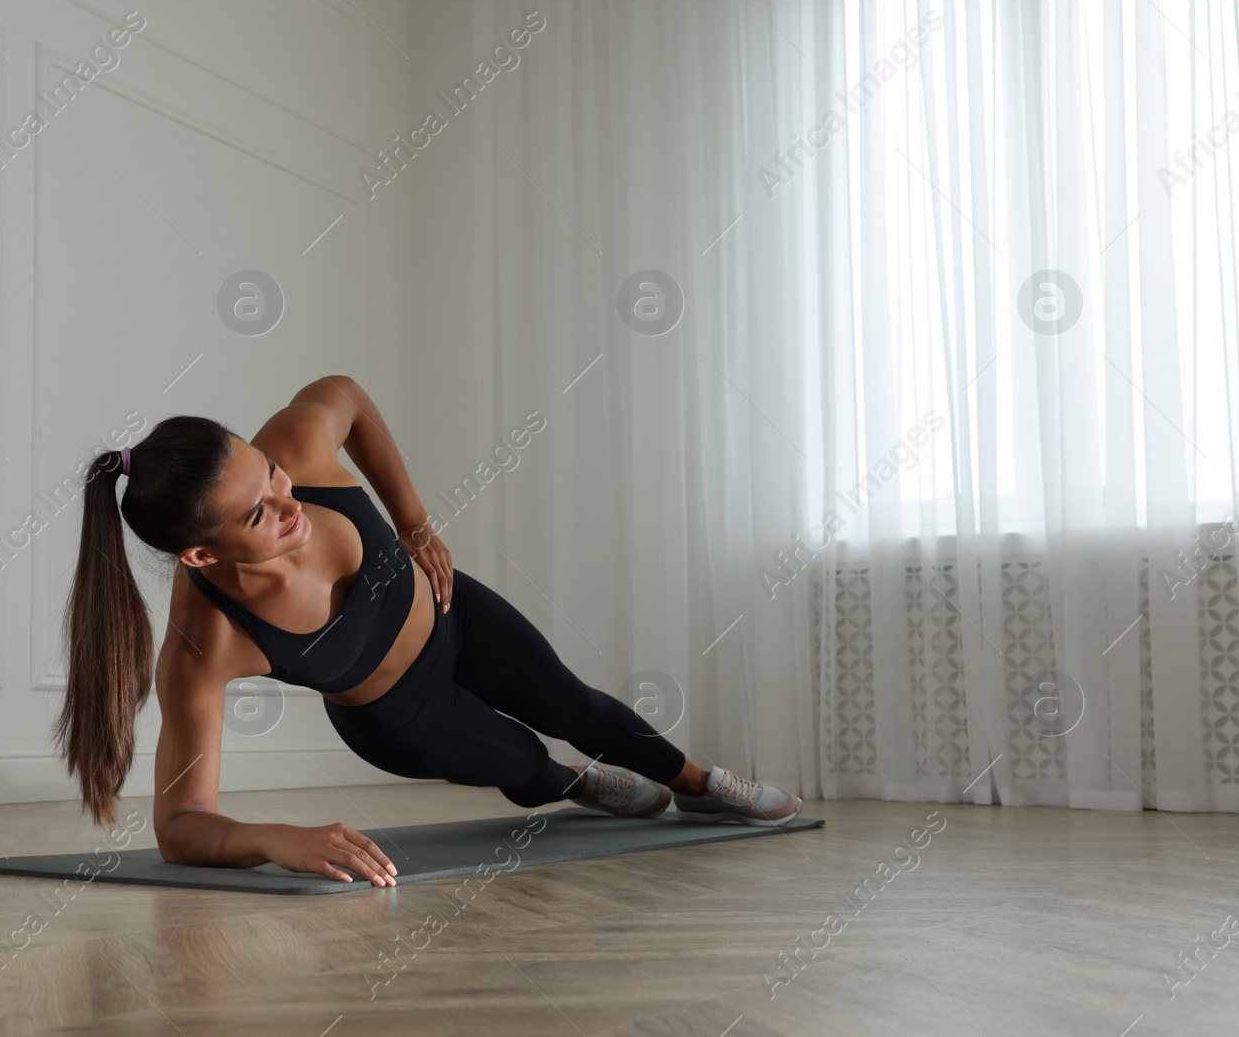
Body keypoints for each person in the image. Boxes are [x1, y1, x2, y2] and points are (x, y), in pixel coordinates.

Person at [56, 375, 802, 887]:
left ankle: (700, 783)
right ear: (200, 553)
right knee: (521, 760)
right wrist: (275, 837)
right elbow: (181, 826)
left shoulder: (297, 445)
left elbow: (344, 395)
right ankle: (576, 782)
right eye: (258, 513)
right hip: (399, 715)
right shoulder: (205, 640)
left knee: (577, 703)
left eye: (273, 474)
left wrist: (414, 523)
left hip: (453, 611)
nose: (288, 502)